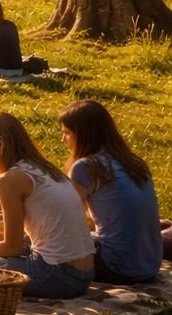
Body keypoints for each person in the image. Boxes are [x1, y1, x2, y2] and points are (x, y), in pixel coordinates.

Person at [0, 112, 95, 299]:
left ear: (0, 145)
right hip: (85, 273)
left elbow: (12, 246)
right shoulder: (45, 169)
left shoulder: (11, 179)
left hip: (58, 276)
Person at [59, 101, 163, 284]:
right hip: (150, 265)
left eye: (67, 133)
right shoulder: (134, 163)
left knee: (46, 246)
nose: (63, 140)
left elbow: (62, 216)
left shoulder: (87, 166)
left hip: (117, 267)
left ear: (84, 135)